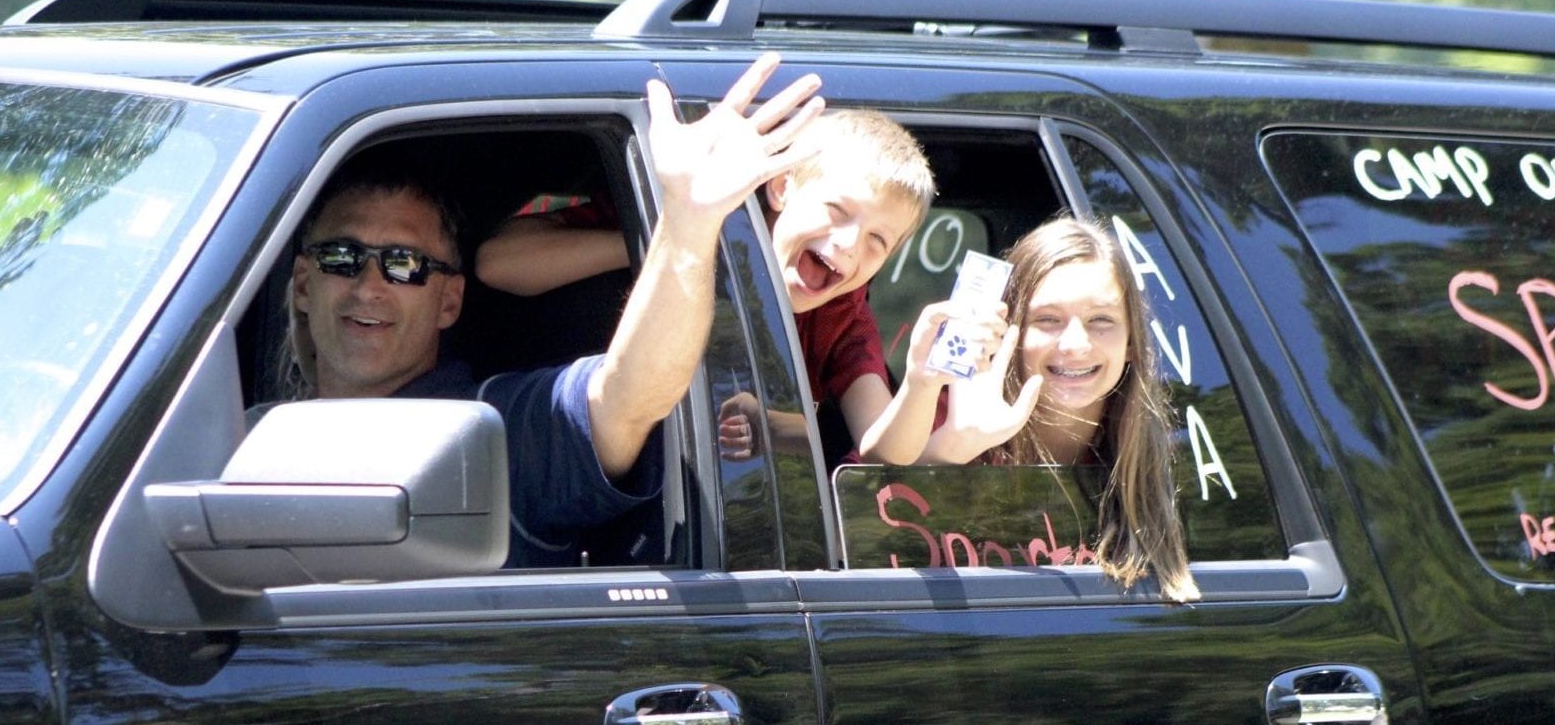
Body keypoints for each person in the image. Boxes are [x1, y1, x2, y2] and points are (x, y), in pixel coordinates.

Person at [283, 53, 823, 567]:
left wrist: (689, 221)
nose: (370, 284)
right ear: (304, 284)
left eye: (405, 264)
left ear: (450, 301)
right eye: (342, 257)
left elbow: (627, 397)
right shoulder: (233, 431)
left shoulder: (498, 431)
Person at [477, 105, 1004, 466]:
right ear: (780, 187)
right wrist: (683, 236)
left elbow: (883, 449)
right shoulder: (679, 221)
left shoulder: (843, 314)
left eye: (876, 241)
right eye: (836, 211)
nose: (847, 245)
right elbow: (496, 265)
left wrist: (921, 382)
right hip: (570, 450)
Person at [917, 216, 1200, 602]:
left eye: (1101, 320)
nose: (1074, 344)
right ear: (1006, 333)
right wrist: (950, 450)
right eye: (1047, 320)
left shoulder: (1175, 460)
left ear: (1133, 341)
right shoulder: (947, 417)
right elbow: (861, 528)